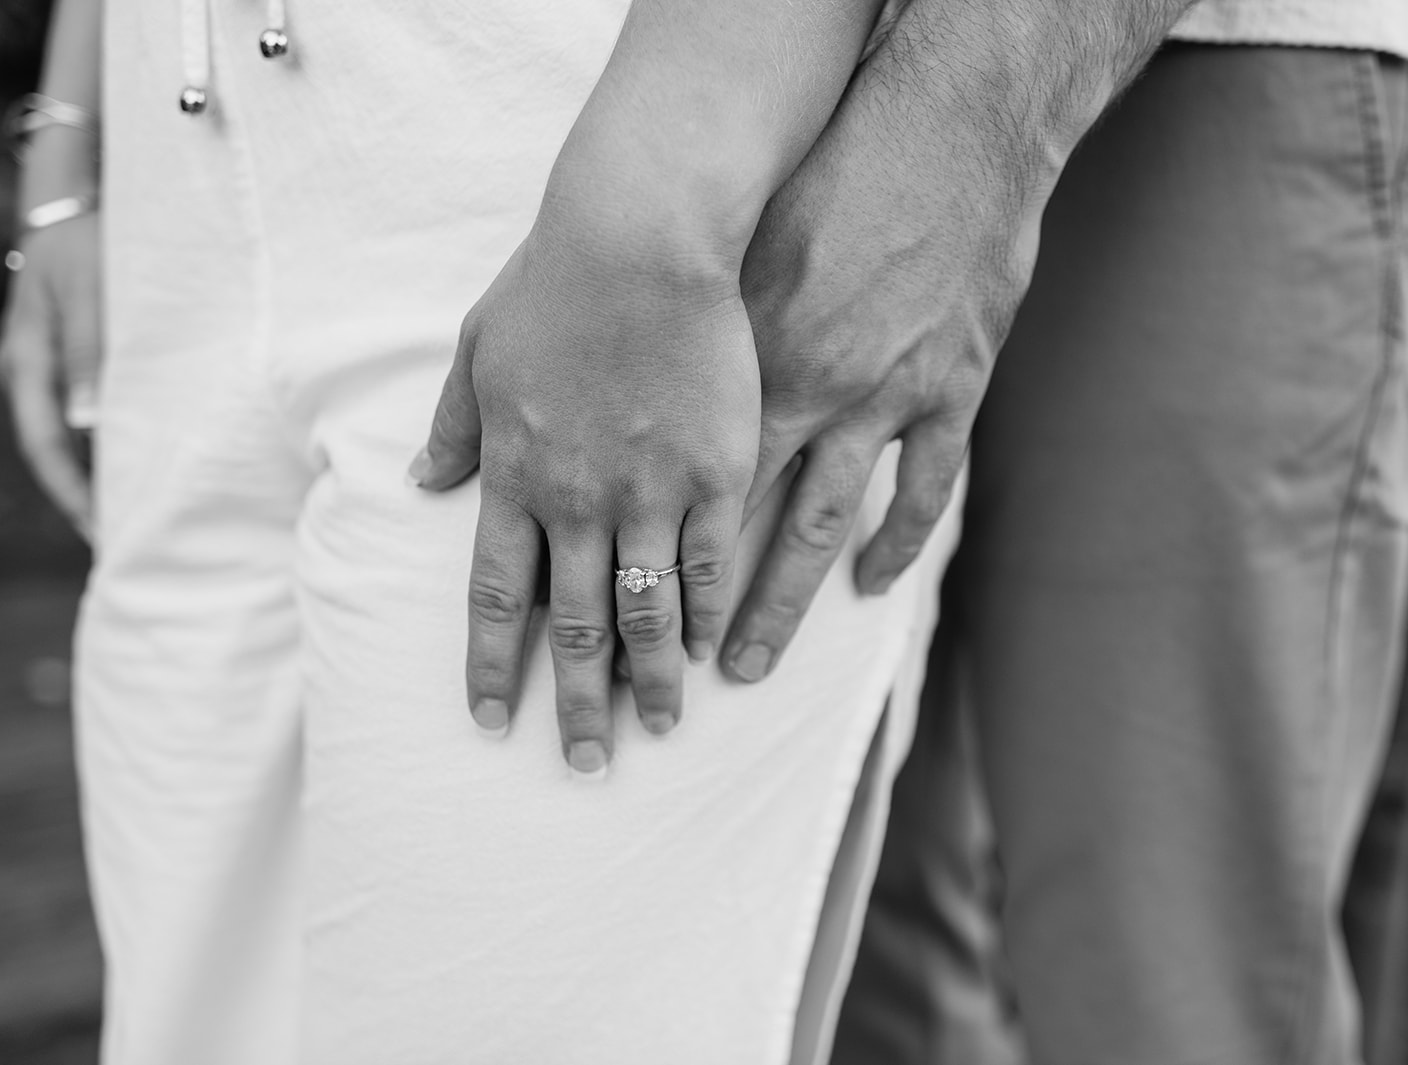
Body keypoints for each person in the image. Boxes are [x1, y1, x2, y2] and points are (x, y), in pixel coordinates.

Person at [0, 0, 982, 1060]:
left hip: (588, 170)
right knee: (185, 1021)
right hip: (179, 168)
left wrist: (661, 214)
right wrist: (72, 132)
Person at [826, 5, 1408, 1065]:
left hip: (1246, 61)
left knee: (1162, 962)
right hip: (844, 83)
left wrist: (967, 117)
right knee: (862, 905)